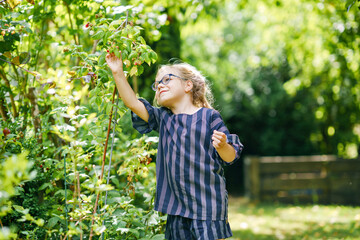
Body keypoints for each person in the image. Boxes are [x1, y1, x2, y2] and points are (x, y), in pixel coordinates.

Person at [106, 52, 243, 240]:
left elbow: (230, 156)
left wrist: (222, 145)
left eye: (167, 79)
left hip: (208, 207)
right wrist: (118, 73)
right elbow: (132, 102)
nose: (160, 85)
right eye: (157, 83)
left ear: (188, 85)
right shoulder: (163, 118)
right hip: (176, 210)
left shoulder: (209, 117)